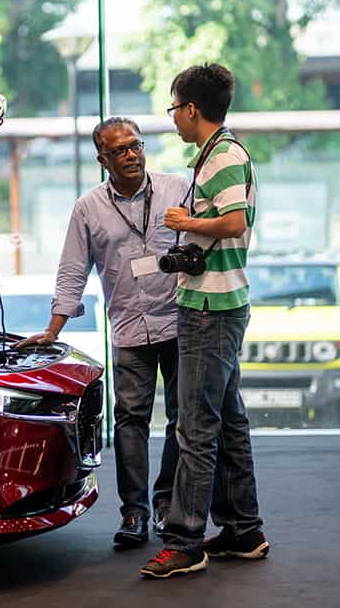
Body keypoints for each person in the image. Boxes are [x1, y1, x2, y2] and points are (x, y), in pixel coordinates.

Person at [17, 117, 189, 548]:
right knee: (130, 421)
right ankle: (134, 512)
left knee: (182, 418)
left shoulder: (176, 189)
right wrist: (53, 328)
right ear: (102, 160)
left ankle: (166, 503)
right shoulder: (88, 208)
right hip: (130, 328)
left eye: (135, 146)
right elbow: (73, 270)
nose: (131, 155)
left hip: (180, 320)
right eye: (119, 151)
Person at [140, 63, 268, 579]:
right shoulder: (221, 154)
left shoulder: (221, 158)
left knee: (194, 426)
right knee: (228, 420)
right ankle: (243, 529)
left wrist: (183, 222)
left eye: (174, 108)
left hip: (211, 310)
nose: (172, 119)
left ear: (192, 109)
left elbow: (233, 221)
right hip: (221, 302)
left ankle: (185, 540)